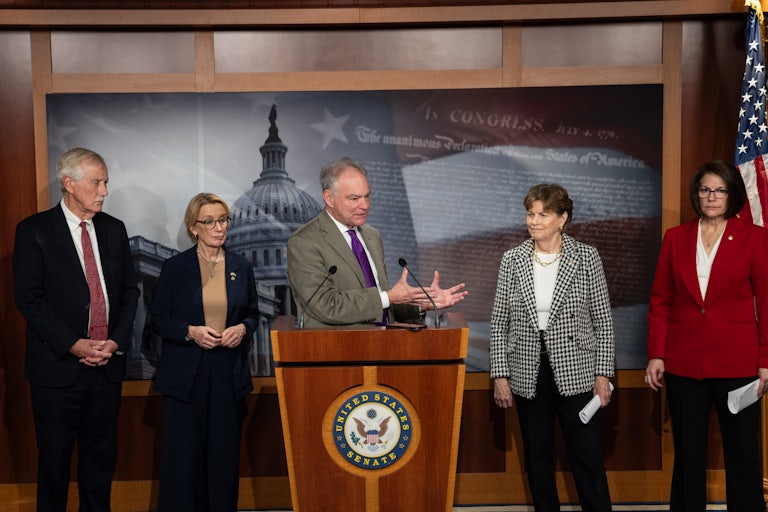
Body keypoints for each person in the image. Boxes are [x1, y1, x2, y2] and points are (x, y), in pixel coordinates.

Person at [12, 147, 140, 512]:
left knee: (100, 465)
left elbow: (130, 291)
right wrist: (74, 344)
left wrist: (114, 341)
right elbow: (29, 300)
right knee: (54, 465)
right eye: (97, 182)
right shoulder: (34, 231)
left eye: (106, 182)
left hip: (107, 367)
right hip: (57, 369)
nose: (104, 191)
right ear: (68, 183)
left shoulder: (114, 229)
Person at [645, 160, 768, 512]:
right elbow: (660, 300)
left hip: (739, 364)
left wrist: (765, 361)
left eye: (719, 190)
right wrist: (657, 353)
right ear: (695, 195)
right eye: (704, 190)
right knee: (688, 454)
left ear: (732, 194)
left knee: (743, 453)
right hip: (684, 364)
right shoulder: (676, 237)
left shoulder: (755, 238)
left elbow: (767, 301)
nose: (711, 197)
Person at [489, 183, 614, 511]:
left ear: (562, 218)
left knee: (587, 458)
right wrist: (500, 375)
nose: (534, 220)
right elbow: (499, 322)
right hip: (528, 373)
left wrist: (603, 374)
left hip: (578, 372)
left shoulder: (586, 257)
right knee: (538, 458)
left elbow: (603, 321)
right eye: (530, 213)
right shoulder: (512, 260)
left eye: (543, 214)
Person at [150, 192, 259, 512]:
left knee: (224, 459)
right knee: (184, 459)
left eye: (223, 220)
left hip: (228, 373)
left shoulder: (241, 265)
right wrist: (190, 332)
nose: (218, 227)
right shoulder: (175, 267)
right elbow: (159, 319)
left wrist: (243, 328)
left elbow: (252, 314)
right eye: (209, 222)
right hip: (186, 376)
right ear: (193, 227)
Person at [286, 157, 467, 327]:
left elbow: (382, 304)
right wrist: (389, 297)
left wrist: (421, 304)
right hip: (337, 353)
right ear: (329, 198)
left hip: (383, 349)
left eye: (367, 196)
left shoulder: (372, 236)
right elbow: (326, 306)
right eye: (354, 198)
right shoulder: (304, 242)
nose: (365, 205)